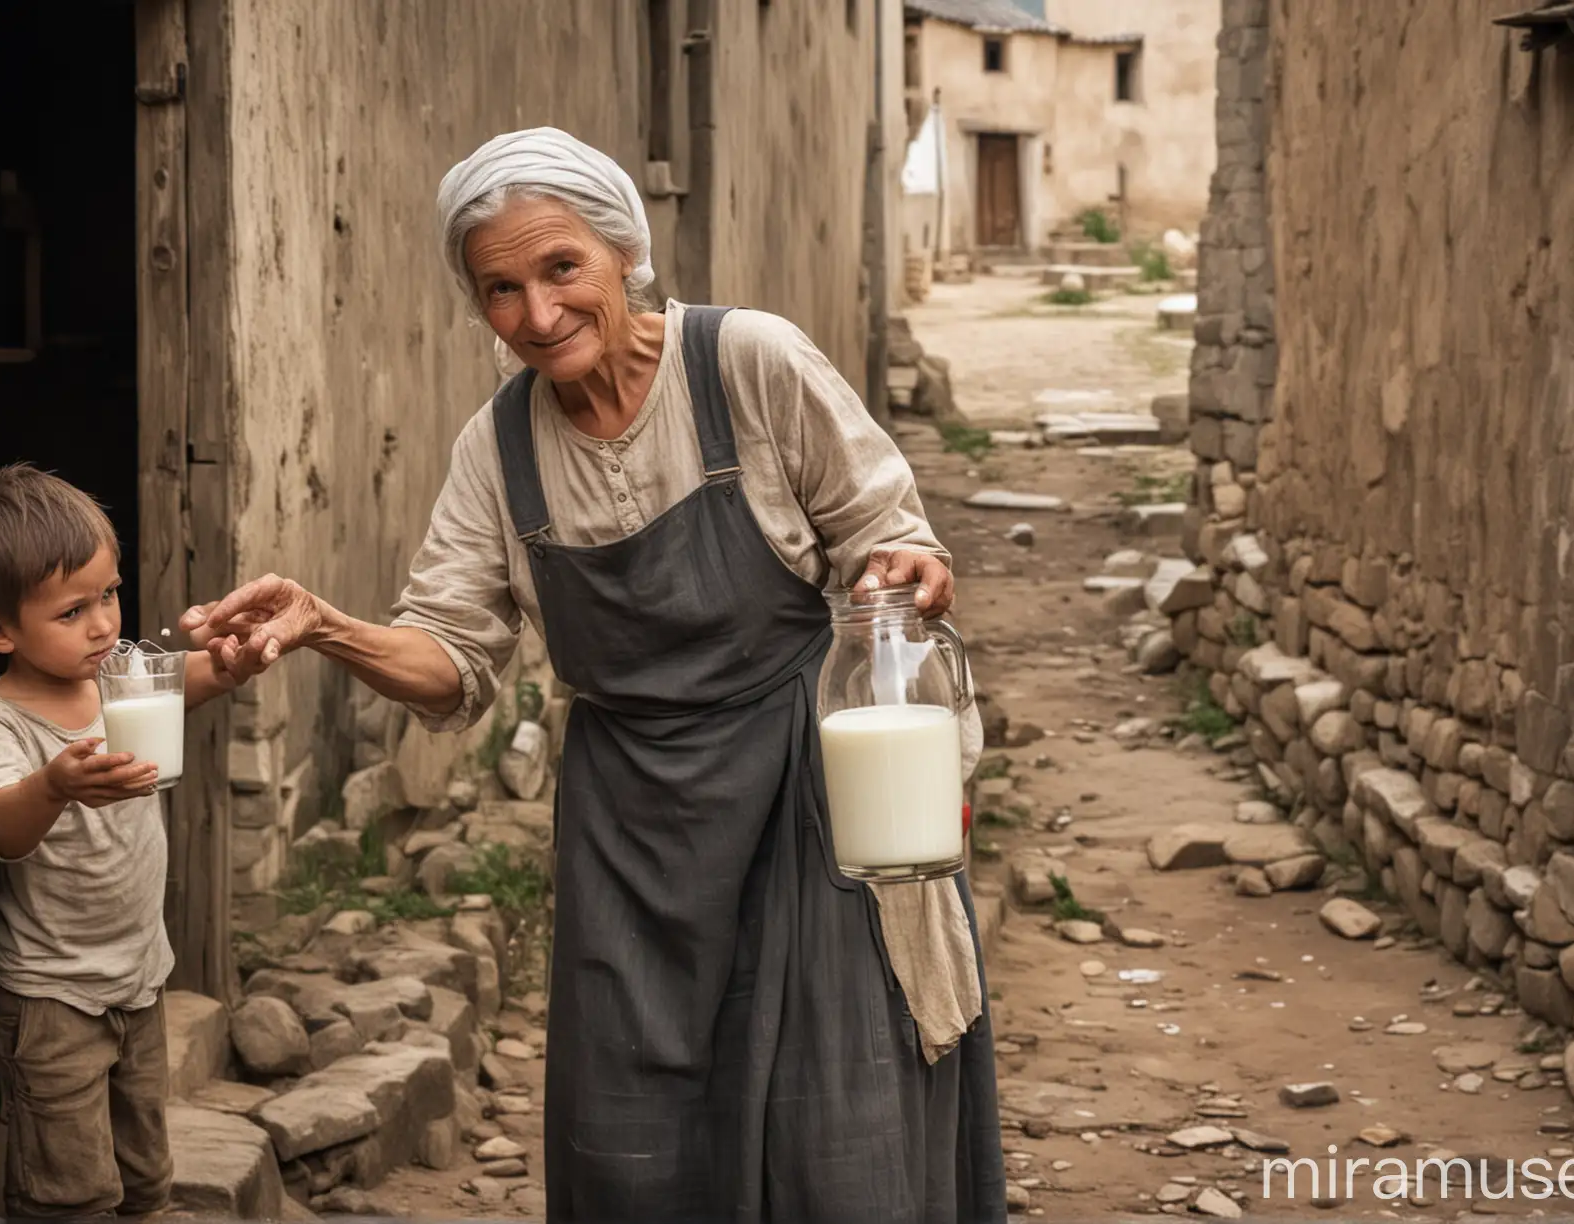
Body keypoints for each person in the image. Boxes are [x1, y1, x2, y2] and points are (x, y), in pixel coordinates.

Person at [184, 127, 1003, 1221]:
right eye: (500, 289)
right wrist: (327, 626)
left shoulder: (746, 362)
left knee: (840, 1109)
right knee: (630, 1137)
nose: (536, 314)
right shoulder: (499, 449)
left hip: (814, 789)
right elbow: (454, 664)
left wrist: (909, 570)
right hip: (634, 831)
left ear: (623, 252)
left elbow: (885, 531)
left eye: (561, 268)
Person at [0, 464, 266, 1218]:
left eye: (109, 595)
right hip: (53, 999)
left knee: (145, 1172)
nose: (102, 625)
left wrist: (230, 663)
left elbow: (185, 679)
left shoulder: (118, 677)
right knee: (70, 1192)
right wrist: (52, 787)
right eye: (71, 612)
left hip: (141, 979)